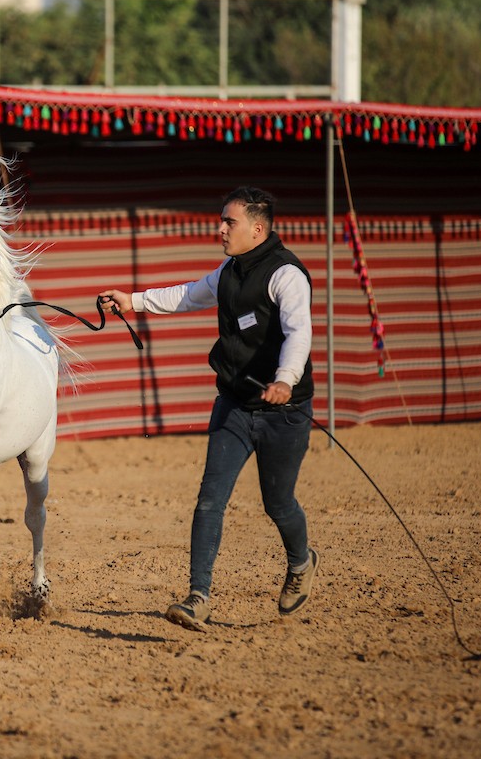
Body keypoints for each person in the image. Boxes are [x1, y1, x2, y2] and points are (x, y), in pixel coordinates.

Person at [98, 186, 318, 630]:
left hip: (284, 410)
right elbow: (187, 296)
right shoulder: (229, 272)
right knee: (209, 501)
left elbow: (299, 333)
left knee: (278, 504)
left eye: (228, 222)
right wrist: (133, 300)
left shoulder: (286, 274)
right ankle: (199, 596)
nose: (219, 229)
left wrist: (284, 380)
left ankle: (300, 563)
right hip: (235, 404)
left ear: (257, 229)